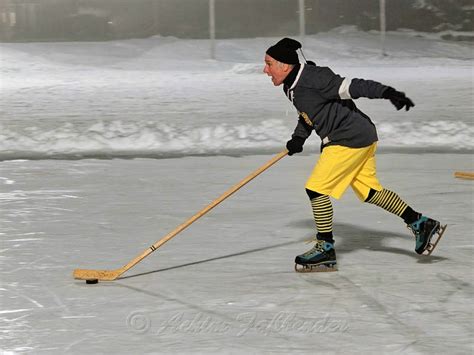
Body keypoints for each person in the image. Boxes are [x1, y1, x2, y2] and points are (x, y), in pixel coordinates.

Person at [263, 37, 445, 272]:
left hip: (348, 138)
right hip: (361, 135)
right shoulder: (291, 85)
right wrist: (299, 137)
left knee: (316, 189)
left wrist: (388, 92)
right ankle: (421, 223)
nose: (265, 70)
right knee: (370, 192)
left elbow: (354, 86)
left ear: (284, 65)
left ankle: (325, 248)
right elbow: (309, 113)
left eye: (268, 63)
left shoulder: (315, 78)